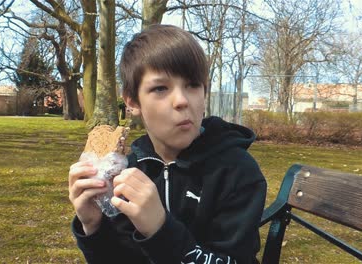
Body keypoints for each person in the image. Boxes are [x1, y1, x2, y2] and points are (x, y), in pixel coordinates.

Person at [68, 24, 267, 264]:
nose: (182, 100)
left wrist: (160, 230)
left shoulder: (237, 172)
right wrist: (93, 226)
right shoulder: (127, 173)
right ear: (132, 102)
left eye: (193, 84)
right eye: (160, 88)